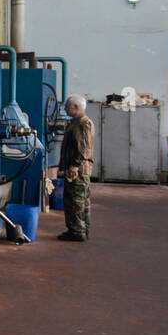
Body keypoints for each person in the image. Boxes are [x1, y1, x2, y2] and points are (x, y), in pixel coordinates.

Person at [57, 94, 94, 242]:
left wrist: (75, 165)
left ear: (76, 108)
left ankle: (77, 232)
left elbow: (84, 148)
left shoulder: (83, 124)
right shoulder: (76, 122)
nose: (65, 109)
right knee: (80, 200)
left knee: (76, 200)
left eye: (67, 107)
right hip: (77, 169)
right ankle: (81, 229)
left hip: (78, 170)